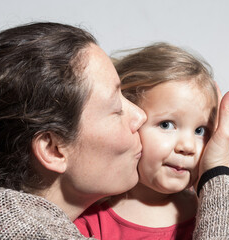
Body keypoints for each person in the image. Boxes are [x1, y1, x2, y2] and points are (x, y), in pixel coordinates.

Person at [0, 22, 229, 239]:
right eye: (118, 107)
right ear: (54, 149)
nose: (139, 115)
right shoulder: (10, 227)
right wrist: (219, 173)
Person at [74, 42, 217, 239]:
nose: (188, 146)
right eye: (167, 125)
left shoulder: (212, 215)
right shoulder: (90, 218)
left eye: (200, 130)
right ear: (128, 120)